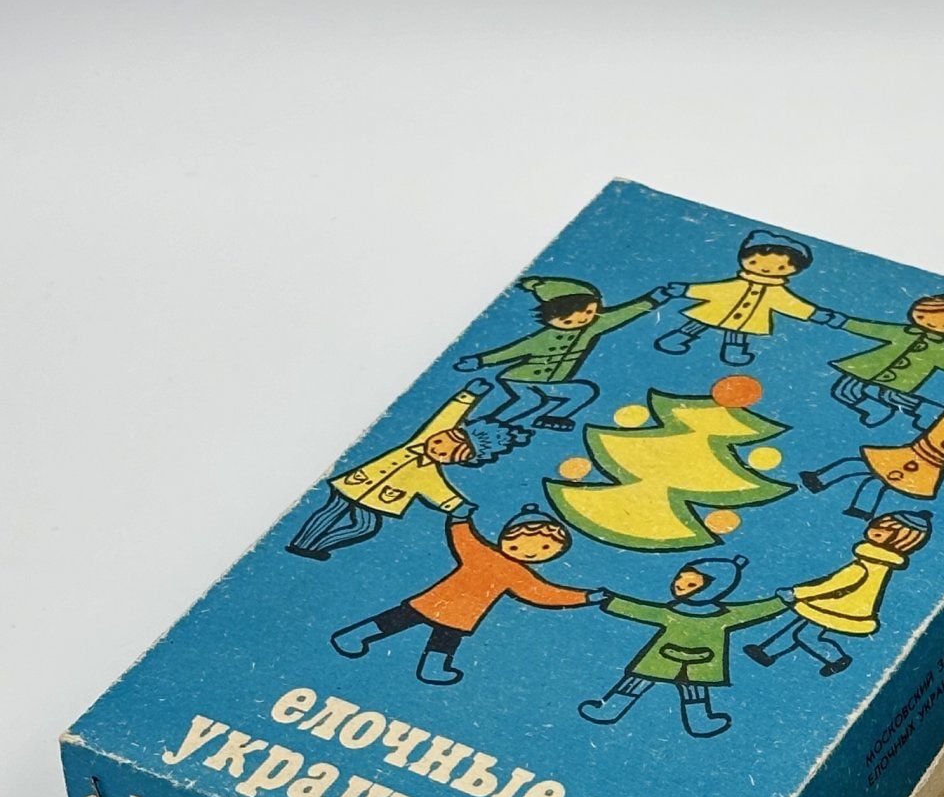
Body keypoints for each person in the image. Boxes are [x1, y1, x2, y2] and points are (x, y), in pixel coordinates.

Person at [331, 506, 606, 686]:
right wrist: (460, 517)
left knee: (444, 641)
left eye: (545, 548)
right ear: (507, 536)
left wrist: (585, 597)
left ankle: (433, 669)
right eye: (521, 541)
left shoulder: (519, 574)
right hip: (436, 600)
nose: (531, 550)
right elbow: (464, 538)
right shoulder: (481, 553)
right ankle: (353, 637)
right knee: (395, 620)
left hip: (461, 615)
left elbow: (543, 593)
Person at [286, 386, 531, 560]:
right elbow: (447, 417)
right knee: (332, 511)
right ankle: (301, 544)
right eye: (442, 440)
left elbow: (439, 490)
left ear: (459, 460)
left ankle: (314, 546)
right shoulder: (420, 441)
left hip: (378, 499)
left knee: (364, 527)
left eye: (449, 454)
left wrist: (456, 505)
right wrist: (468, 396)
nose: (438, 448)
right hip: (358, 482)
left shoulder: (428, 473)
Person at [580, 555, 786, 737]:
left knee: (694, 690)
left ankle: (700, 722)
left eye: (691, 584)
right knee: (636, 682)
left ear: (712, 589)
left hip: (700, 661)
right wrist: (612, 601)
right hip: (662, 658)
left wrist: (781, 601)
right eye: (680, 579)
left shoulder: (727, 615)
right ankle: (609, 710)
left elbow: (756, 610)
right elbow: (642, 610)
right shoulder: (670, 611)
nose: (679, 585)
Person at [453, 275, 664, 430]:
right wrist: (480, 360)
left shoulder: (591, 328)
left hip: (551, 382)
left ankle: (552, 418)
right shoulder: (544, 338)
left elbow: (622, 314)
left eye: (589, 312)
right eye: (568, 321)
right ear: (549, 319)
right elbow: (512, 351)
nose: (582, 320)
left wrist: (654, 299)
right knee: (531, 401)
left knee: (583, 391)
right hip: (521, 378)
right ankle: (487, 425)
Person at [745, 511, 932, 675]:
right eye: (878, 525)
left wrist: (797, 592)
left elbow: (834, 584)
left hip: (838, 605)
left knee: (804, 633)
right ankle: (768, 652)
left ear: (900, 541)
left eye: (885, 530)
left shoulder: (864, 565)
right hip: (844, 605)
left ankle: (834, 659)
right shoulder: (879, 563)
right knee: (802, 629)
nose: (875, 529)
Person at [800, 403, 944, 520]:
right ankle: (819, 480)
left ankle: (861, 510)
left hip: (924, 471)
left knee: (876, 483)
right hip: (906, 454)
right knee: (856, 465)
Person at [810, 292, 944, 427]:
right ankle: (872, 409)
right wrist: (843, 322)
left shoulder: (939, 347)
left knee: (892, 396)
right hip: (868, 367)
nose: (932, 323)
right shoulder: (902, 332)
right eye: (925, 315)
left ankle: (925, 410)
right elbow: (871, 329)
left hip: (903, 377)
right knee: (845, 390)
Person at [651, 230, 824, 368]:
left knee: (737, 334)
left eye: (780, 267)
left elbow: (792, 305)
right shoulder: (735, 285)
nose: (765, 269)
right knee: (698, 324)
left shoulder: (776, 292)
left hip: (748, 318)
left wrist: (815, 314)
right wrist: (685, 290)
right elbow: (710, 290)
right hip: (718, 310)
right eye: (755, 262)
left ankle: (733, 354)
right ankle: (673, 341)